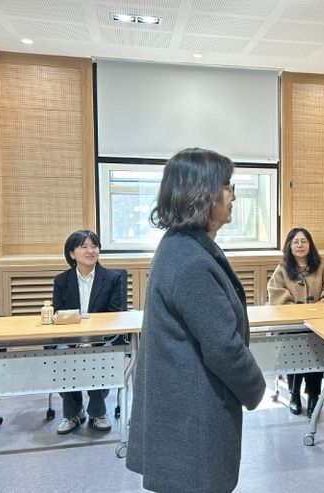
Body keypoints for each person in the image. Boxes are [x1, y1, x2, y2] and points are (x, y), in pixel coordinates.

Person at [126, 148, 266, 493]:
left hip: (183, 408)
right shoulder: (190, 260)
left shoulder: (182, 246)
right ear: (202, 193)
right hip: (193, 416)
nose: (233, 196)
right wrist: (256, 388)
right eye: (227, 186)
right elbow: (223, 347)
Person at [53, 229, 124, 434]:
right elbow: (59, 315)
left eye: (94, 246)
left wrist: (92, 340)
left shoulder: (113, 278)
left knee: (100, 354)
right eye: (84, 247)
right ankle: (73, 413)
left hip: (104, 337)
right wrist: (77, 339)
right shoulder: (61, 280)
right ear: (72, 253)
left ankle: (98, 412)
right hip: (70, 337)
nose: (90, 251)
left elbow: (115, 315)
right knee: (62, 354)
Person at [267, 227, 324, 417]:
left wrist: (319, 306)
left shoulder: (322, 267)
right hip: (291, 325)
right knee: (293, 345)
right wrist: (296, 312)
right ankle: (294, 394)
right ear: (289, 246)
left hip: (318, 324)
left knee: (317, 346)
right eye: (295, 242)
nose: (299, 245)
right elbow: (276, 294)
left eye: (303, 241)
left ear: (310, 244)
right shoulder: (282, 270)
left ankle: (314, 396)